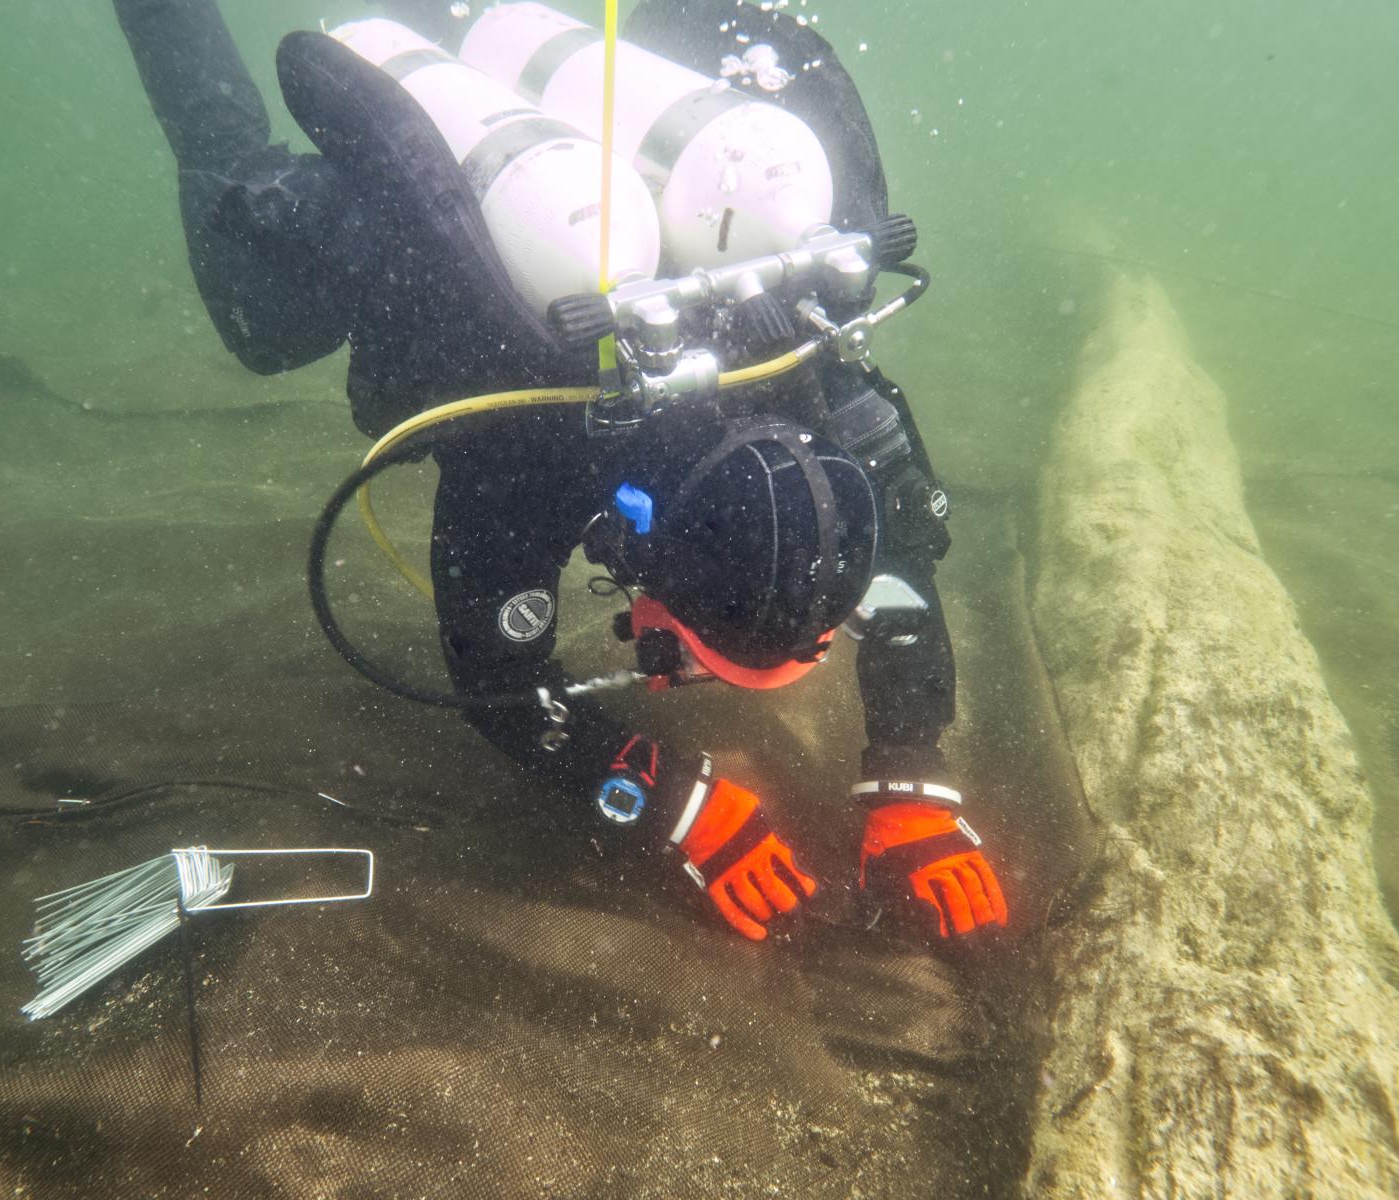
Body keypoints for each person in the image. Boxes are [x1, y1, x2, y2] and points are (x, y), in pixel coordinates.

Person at [110, 0, 1008, 944]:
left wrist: (913, 780)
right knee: (262, 325)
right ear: (649, 566)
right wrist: (669, 800)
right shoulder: (527, 454)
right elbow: (493, 673)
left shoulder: (815, 382)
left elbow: (901, 570)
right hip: (405, 242)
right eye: (701, 659)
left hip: (587, 213)